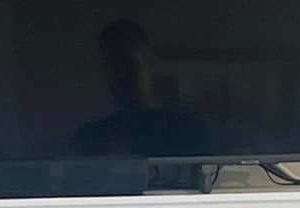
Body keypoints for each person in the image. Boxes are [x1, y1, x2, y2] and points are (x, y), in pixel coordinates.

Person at [70, 18, 208, 157]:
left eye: (128, 64)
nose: (120, 75)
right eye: (111, 66)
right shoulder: (89, 137)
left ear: (150, 62)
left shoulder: (189, 131)